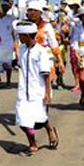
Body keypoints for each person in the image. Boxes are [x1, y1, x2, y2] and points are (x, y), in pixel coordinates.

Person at [15, 21, 59, 155]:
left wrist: (47, 93)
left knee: (39, 119)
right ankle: (32, 143)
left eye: (21, 35)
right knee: (23, 120)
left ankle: (50, 130)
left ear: (28, 35)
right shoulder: (22, 49)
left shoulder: (41, 51)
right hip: (23, 90)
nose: (19, 38)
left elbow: (46, 75)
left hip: (38, 90)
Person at [26, 0, 65, 85]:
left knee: (46, 83)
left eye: (35, 10)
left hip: (45, 58)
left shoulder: (47, 26)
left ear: (40, 13)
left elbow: (53, 44)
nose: (32, 13)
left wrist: (60, 61)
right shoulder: (24, 25)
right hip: (30, 58)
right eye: (30, 10)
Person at [0, 0, 16, 87]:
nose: (5, 8)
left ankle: (8, 80)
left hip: (8, 43)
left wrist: (15, 43)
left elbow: (14, 32)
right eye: (3, 6)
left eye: (6, 7)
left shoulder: (12, 18)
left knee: (8, 64)